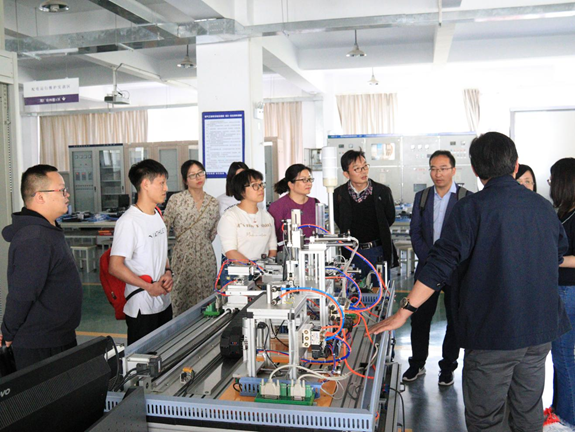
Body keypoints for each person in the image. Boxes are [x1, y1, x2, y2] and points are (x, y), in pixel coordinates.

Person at [371, 132, 570, 432]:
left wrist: (405, 311)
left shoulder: (471, 208)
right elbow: (558, 252)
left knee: (486, 418)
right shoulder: (542, 207)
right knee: (527, 412)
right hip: (539, 333)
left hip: (493, 334)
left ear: (475, 170)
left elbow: (440, 263)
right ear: (516, 165)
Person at [0, 164, 81, 370]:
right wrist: (7, 333)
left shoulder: (47, 230)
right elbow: (22, 294)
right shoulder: (35, 238)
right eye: (61, 190)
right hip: (40, 345)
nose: (67, 195)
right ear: (40, 197)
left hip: (57, 338)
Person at [404, 150, 472, 386]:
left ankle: (448, 367)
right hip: (427, 269)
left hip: (456, 271)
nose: (438, 173)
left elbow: (469, 237)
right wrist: (431, 261)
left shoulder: (466, 198)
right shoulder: (422, 197)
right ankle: (417, 363)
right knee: (419, 318)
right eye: (433, 168)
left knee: (454, 320)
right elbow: (415, 232)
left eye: (443, 168)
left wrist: (449, 262)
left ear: (453, 170)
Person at [109, 159, 173, 345]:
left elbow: (161, 251)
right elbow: (115, 266)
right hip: (142, 307)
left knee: (165, 352)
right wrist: (148, 287)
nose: (166, 188)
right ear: (145, 184)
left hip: (163, 301)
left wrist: (168, 272)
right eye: (161, 183)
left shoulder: (157, 214)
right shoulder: (129, 221)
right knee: (143, 359)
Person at [163, 160, 219, 316]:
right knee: (180, 297)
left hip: (206, 256)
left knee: (206, 298)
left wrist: (200, 243)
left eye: (200, 173)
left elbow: (212, 233)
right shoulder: (176, 200)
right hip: (182, 255)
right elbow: (164, 229)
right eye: (192, 175)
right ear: (185, 180)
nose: (198, 177)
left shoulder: (213, 203)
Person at [333, 149, 397, 283]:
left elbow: (389, 218)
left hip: (377, 250)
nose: (363, 171)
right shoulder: (339, 194)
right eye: (357, 169)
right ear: (346, 174)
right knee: (352, 291)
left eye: (365, 166)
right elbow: (339, 220)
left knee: (379, 289)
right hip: (351, 252)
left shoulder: (382, 192)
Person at [548, 157, 575, 427]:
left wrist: (551, 258)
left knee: (564, 357)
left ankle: (568, 419)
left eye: (552, 180)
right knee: (560, 358)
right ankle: (559, 410)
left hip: (569, 291)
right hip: (563, 289)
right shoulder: (565, 212)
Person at [217, 169, 277, 262]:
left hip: (262, 267)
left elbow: (272, 248)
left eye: (261, 184)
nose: (261, 188)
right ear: (242, 191)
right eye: (255, 185)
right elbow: (230, 252)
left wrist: (266, 267)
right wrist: (254, 267)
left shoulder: (267, 217)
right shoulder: (230, 217)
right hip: (237, 268)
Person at [268, 164, 319, 248]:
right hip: (287, 254)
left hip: (314, 253)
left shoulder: (315, 203)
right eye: (303, 180)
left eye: (309, 179)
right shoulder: (277, 207)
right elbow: (270, 238)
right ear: (291, 184)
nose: (309, 183)